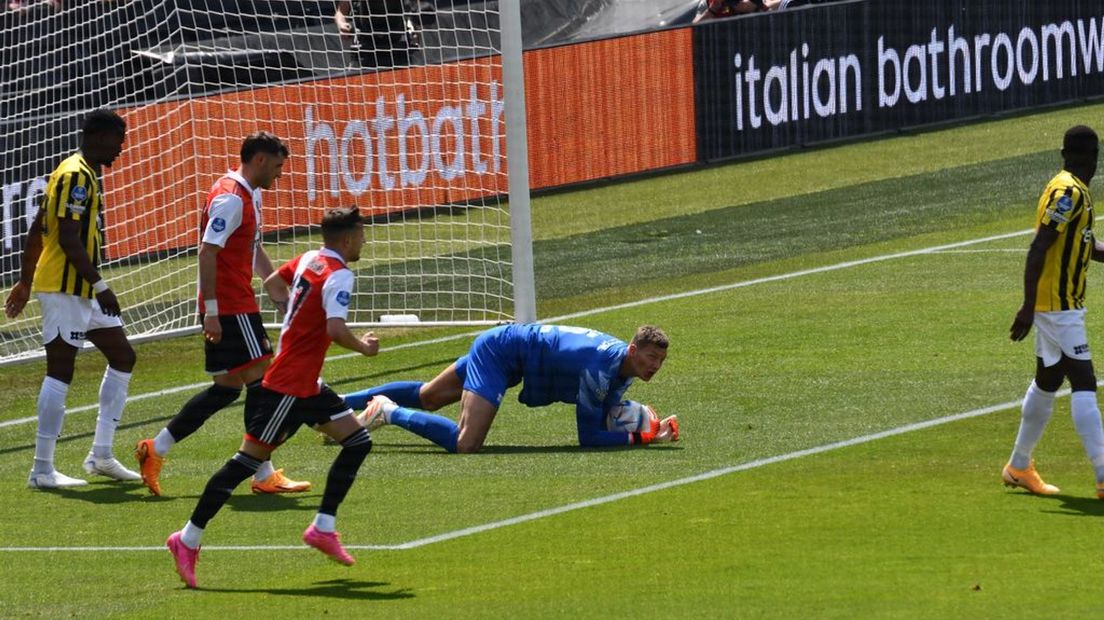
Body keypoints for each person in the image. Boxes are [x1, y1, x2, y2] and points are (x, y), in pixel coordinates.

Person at [167, 206, 380, 589]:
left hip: (306, 383)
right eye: (362, 235)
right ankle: (187, 539)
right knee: (245, 464)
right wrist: (363, 347)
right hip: (287, 387)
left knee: (358, 440)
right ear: (347, 239)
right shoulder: (340, 275)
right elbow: (334, 327)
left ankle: (323, 527)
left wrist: (294, 320)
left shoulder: (311, 259)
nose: (365, 241)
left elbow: (275, 285)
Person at [133, 131, 311, 497]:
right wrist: (211, 312)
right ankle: (262, 472)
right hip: (231, 306)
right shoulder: (231, 198)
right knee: (264, 382)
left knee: (228, 389)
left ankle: (157, 449)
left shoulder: (249, 193)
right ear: (259, 160)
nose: (280, 174)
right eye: (277, 166)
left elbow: (251, 246)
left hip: (235, 303)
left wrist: (274, 284)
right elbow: (206, 253)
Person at [4, 109, 141, 488]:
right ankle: (42, 469)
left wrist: (23, 280)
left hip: (80, 288)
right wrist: (100, 286)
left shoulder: (80, 172)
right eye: (118, 139)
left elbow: (37, 228)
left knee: (123, 356)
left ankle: (100, 455)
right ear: (97, 135)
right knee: (60, 371)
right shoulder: (76, 174)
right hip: (68, 289)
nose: (121, 148)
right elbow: (66, 237)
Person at [342, 324, 679, 453]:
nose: (655, 367)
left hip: (510, 345)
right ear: (634, 351)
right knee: (466, 443)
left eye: (660, 362)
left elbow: (604, 407)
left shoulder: (623, 364)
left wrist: (648, 421)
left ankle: (339, 403)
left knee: (429, 397)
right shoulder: (601, 370)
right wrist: (642, 436)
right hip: (501, 352)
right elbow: (588, 436)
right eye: (651, 358)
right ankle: (387, 411)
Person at [1005, 124, 1104, 499]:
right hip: (1057, 306)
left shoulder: (1076, 191)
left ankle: (1018, 466)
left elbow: (1086, 245)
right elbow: (1039, 247)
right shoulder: (1067, 192)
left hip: (1061, 305)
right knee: (1084, 381)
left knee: (1048, 381)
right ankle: (1102, 472)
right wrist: (1028, 307)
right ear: (1092, 157)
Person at [334, 0, 411, 69]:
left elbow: (416, 7)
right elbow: (341, 12)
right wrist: (342, 24)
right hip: (364, 49)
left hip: (398, 48)